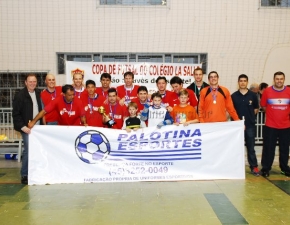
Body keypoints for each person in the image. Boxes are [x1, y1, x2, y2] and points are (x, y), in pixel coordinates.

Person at [12, 74, 43, 184]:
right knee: (29, 151)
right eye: (30, 81)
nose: (32, 83)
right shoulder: (20, 96)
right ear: (25, 82)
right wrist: (23, 127)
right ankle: (24, 174)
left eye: (34, 81)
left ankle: (38, 172)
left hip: (39, 128)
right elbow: (16, 114)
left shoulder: (39, 93)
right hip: (27, 129)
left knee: (40, 150)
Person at [260, 71, 290, 177]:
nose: (279, 81)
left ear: (284, 80)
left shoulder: (289, 91)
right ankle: (266, 168)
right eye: (277, 79)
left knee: (285, 148)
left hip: (285, 126)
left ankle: (284, 168)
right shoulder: (267, 92)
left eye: (281, 79)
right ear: (274, 80)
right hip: (270, 126)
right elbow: (263, 106)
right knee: (268, 148)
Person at [231, 74, 260, 176]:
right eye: (241, 81)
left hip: (250, 126)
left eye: (244, 81)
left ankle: (254, 167)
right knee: (236, 147)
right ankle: (234, 167)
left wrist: (250, 117)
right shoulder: (233, 96)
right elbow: (231, 110)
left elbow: (256, 109)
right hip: (237, 127)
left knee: (251, 147)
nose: (242, 82)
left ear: (247, 82)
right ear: (238, 82)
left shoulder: (253, 95)